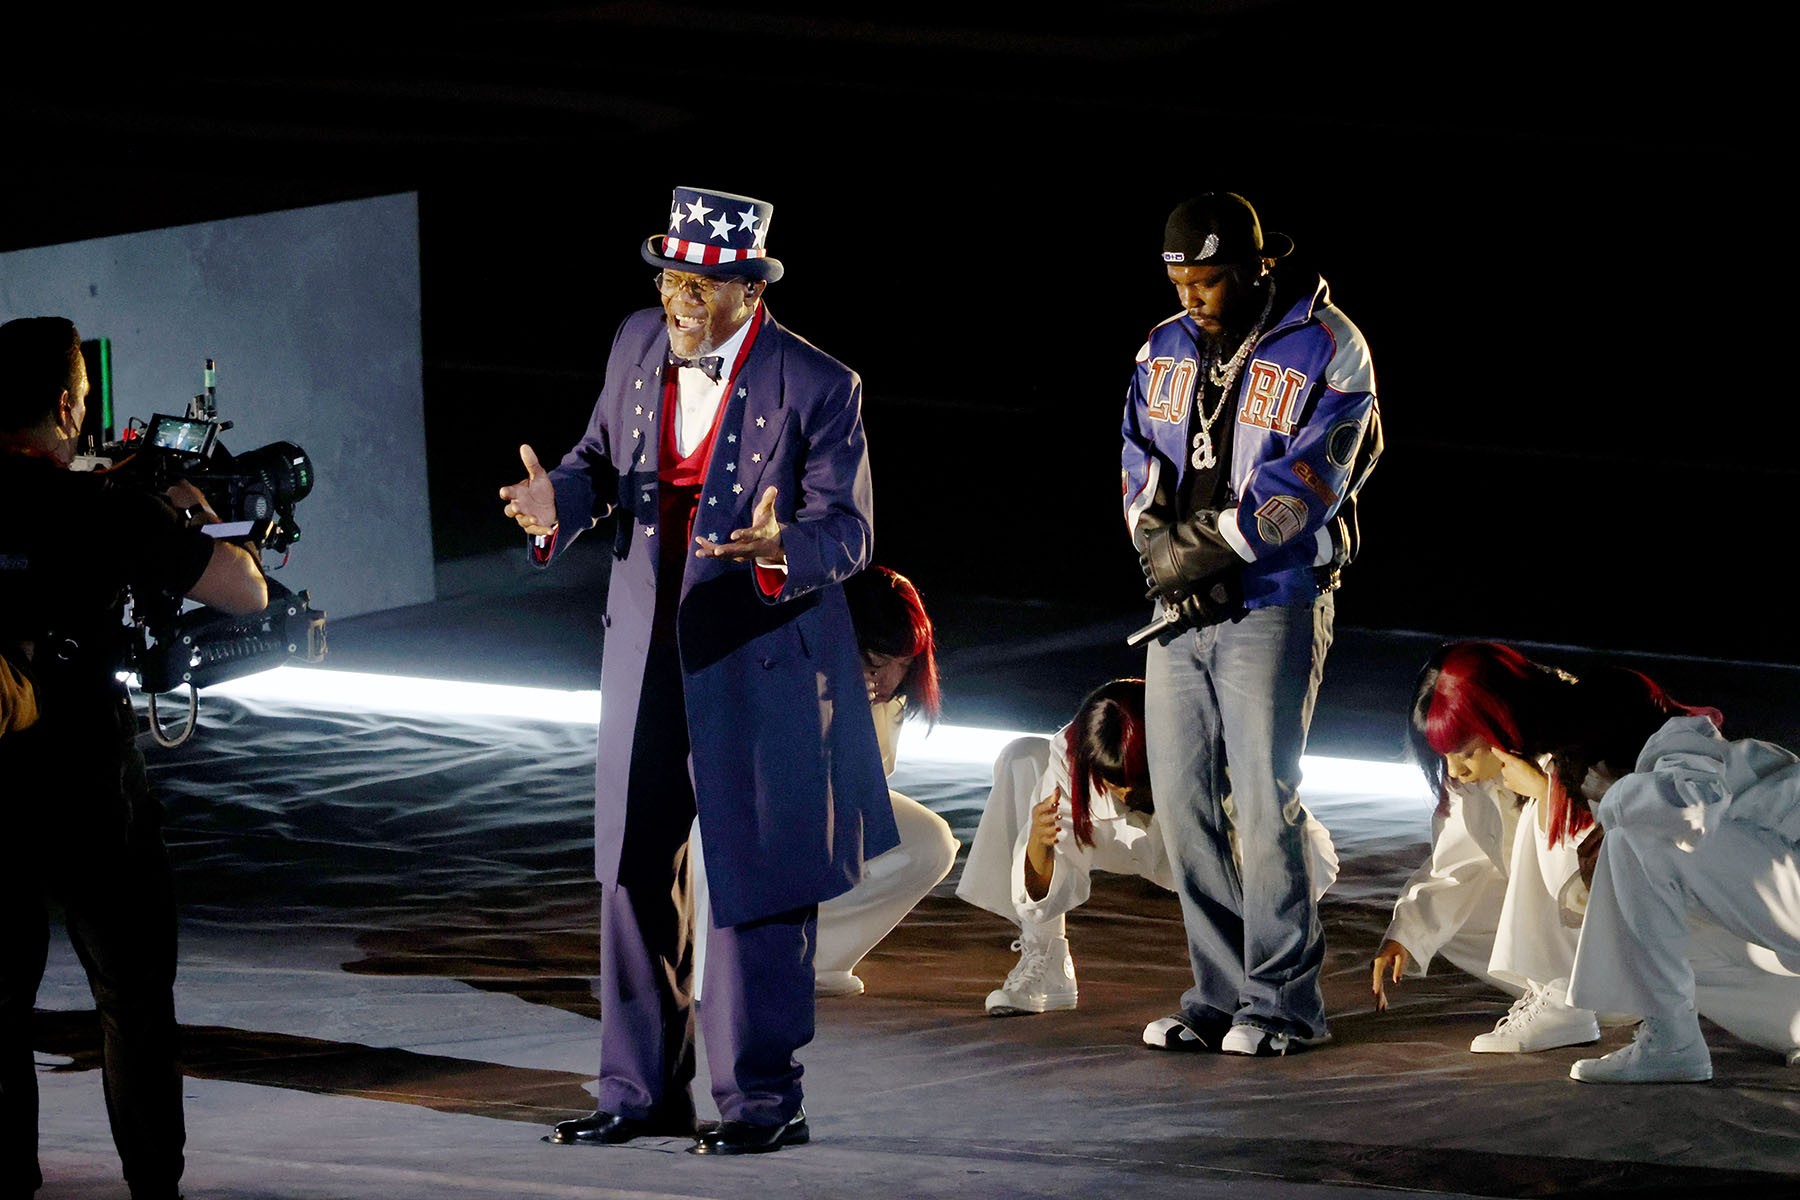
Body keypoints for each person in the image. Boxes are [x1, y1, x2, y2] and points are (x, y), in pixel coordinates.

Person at [498, 187, 895, 1155]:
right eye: (670, 279)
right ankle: (638, 1090)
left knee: (753, 880)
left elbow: (850, 531)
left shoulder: (817, 384)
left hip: (754, 662)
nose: (677, 300)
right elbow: (601, 459)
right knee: (632, 865)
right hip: (646, 653)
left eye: (698, 284)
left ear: (746, 287)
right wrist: (562, 501)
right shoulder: (636, 342)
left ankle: (763, 1100)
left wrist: (779, 548)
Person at [0, 316, 268, 1200]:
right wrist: (187, 518)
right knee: (134, 996)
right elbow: (240, 592)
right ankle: (154, 1186)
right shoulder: (105, 509)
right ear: (71, 404)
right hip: (84, 774)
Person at [1121, 192, 1379, 1056]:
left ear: (1258, 267)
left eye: (1209, 280)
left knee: (1266, 806)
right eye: (1181, 280)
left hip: (1273, 598)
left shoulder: (1329, 346)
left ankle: (1285, 1005)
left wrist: (1208, 549)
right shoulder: (1162, 344)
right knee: (1184, 808)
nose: (1192, 296)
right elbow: (1135, 452)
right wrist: (1157, 544)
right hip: (1178, 607)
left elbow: (1319, 474)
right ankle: (1221, 992)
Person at [1402, 642, 1800, 1083]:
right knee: (1640, 902)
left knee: (1636, 843)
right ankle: (1664, 1037)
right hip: (1761, 924)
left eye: (1464, 751)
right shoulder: (1587, 770)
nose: (1455, 770)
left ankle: (1657, 1036)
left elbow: (1692, 811)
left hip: (1782, 891)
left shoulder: (1678, 741)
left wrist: (1570, 794)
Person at [956, 679, 1338, 1021]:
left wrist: (1258, 945)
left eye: (1135, 783)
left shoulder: (1220, 754)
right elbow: (1041, 895)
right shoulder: (1069, 757)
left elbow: (1315, 862)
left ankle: (1260, 978)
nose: (1123, 795)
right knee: (1023, 755)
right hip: (1109, 843)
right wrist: (1039, 846)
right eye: (1112, 781)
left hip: (1197, 851)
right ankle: (1047, 961)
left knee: (1305, 854)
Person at [691, 565, 958, 998]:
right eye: (874, 662)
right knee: (728, 820)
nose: (888, 681)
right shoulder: (778, 659)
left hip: (810, 804)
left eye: (903, 665)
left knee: (929, 842)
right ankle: (716, 965)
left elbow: (858, 786)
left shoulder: (882, 695)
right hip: (727, 806)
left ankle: (817, 959)